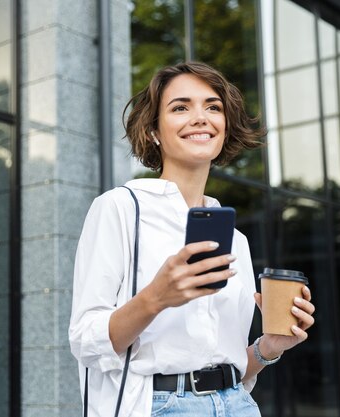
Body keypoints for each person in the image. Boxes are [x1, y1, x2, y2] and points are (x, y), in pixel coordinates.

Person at [68, 62, 315, 416]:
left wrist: (269, 347)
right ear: (154, 130)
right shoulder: (121, 208)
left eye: (212, 107)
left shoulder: (235, 239)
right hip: (158, 406)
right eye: (180, 107)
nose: (200, 117)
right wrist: (156, 298)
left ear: (225, 126)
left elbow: (229, 366)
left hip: (238, 404)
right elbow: (86, 342)